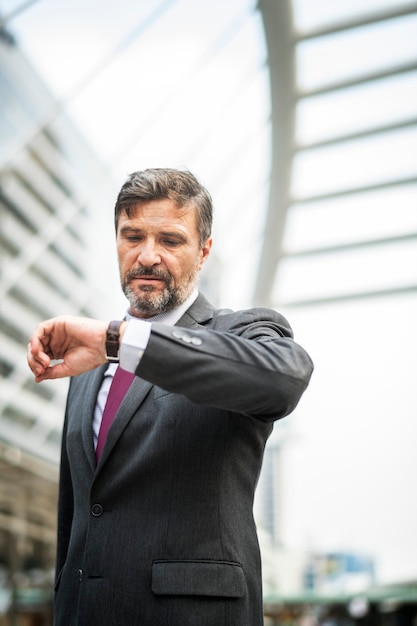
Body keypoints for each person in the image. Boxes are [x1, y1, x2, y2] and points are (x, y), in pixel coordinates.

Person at [27, 168, 313, 626]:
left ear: (204, 252)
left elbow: (283, 378)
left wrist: (120, 341)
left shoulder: (239, 332)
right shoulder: (87, 367)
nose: (148, 256)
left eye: (171, 240)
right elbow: (76, 517)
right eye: (132, 236)